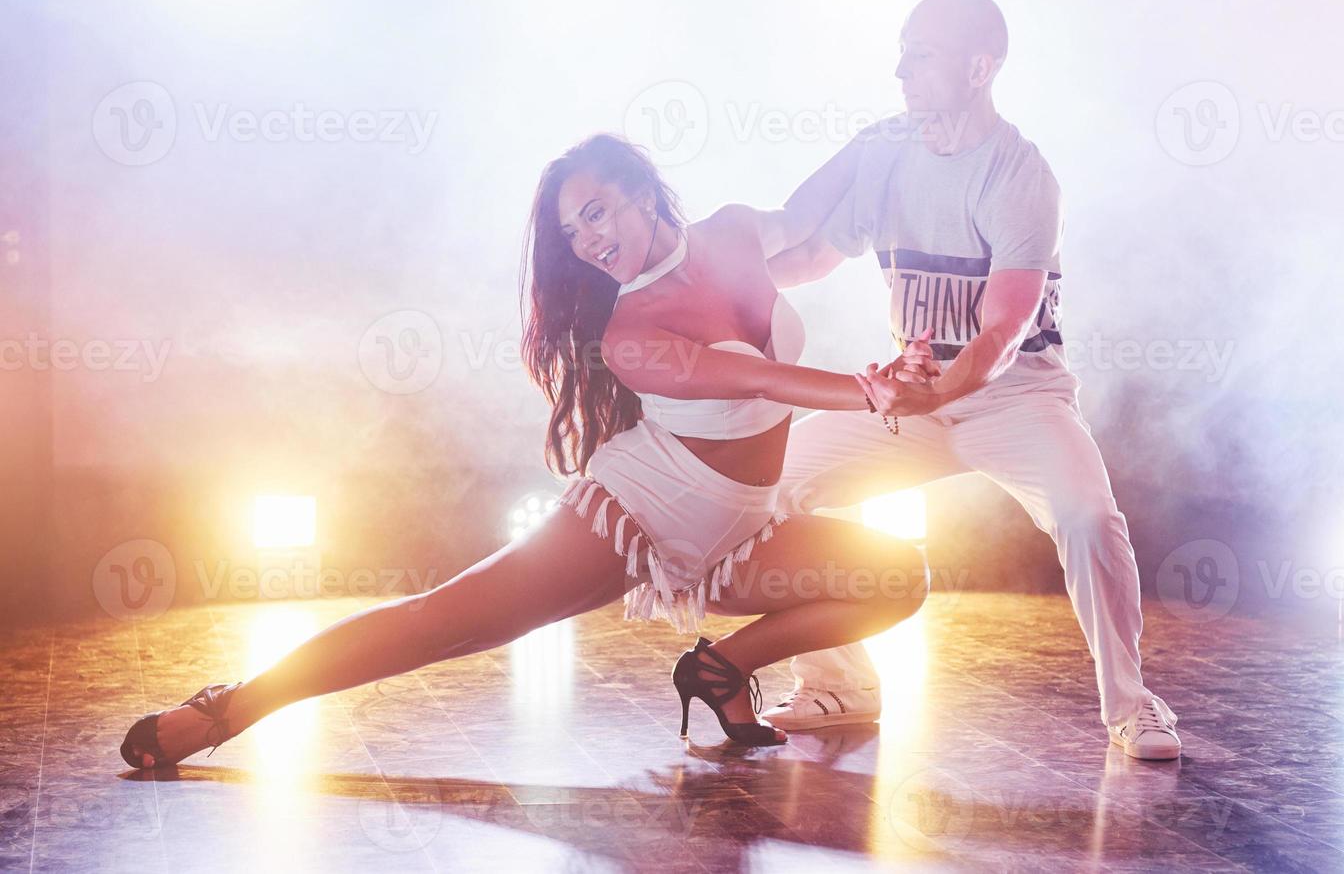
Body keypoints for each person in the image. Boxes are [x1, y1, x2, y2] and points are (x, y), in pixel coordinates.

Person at [119, 133, 934, 766]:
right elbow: (754, 382)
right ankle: (233, 707)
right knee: (443, 624)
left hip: (742, 536)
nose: (587, 239)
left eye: (598, 212)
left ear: (644, 193)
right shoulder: (631, 333)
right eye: (572, 229)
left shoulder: (735, 234)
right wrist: (868, 388)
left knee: (895, 578)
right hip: (639, 514)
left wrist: (883, 140)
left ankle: (722, 668)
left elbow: (809, 217)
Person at [760, 0, 1182, 760]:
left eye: (919, 55)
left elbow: (1003, 328)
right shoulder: (884, 149)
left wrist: (937, 392)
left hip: (1014, 397)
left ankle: (1132, 705)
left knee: (1088, 518)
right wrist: (709, 289)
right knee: (777, 485)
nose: (899, 71)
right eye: (900, 52)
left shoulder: (1021, 173)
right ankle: (837, 684)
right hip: (914, 395)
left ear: (979, 68)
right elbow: (815, 254)